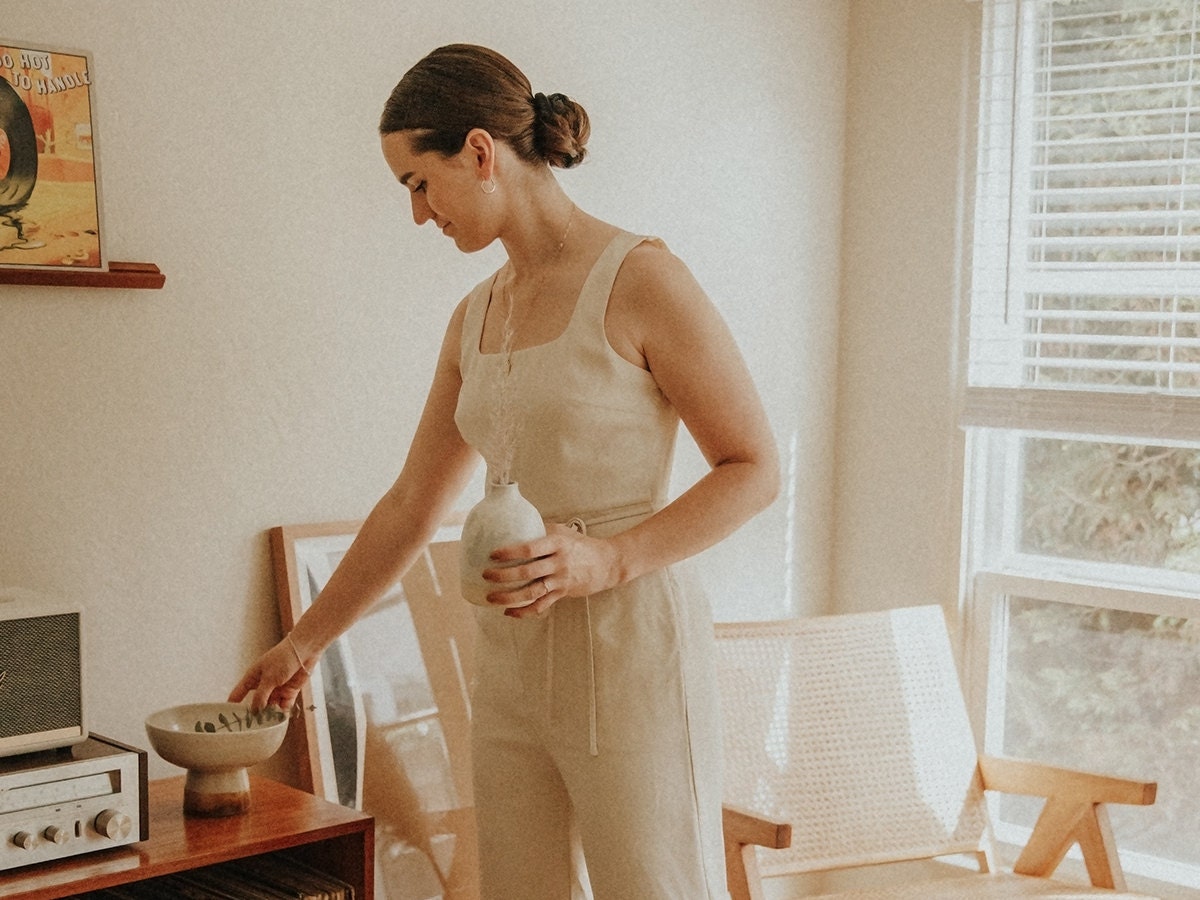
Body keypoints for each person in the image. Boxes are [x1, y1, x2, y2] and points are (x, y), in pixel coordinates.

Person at [229, 43, 779, 900]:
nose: (418, 214)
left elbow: (753, 469)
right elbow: (415, 501)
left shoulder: (643, 279)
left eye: (419, 182)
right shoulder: (475, 316)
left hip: (631, 661)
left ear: (480, 153)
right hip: (512, 667)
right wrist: (305, 641)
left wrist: (608, 559)